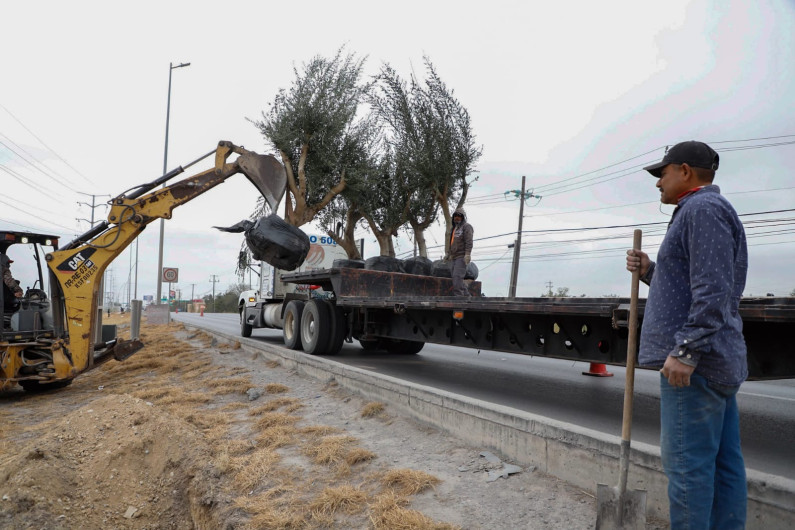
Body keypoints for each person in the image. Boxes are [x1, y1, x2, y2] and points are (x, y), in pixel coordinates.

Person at [626, 141, 748, 529]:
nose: (657, 182)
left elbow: (713, 289)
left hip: (695, 368)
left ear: (684, 171)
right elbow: (689, 282)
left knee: (688, 470)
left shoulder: (702, 209)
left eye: (662, 173)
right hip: (713, 363)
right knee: (723, 464)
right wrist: (649, 270)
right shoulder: (701, 211)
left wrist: (686, 351)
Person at [445, 207, 473, 296]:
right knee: (457, 279)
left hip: (461, 257)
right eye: (455, 216)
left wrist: (467, 254)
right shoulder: (454, 229)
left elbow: (469, 241)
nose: (457, 217)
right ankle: (467, 297)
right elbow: (451, 243)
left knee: (457, 278)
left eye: (459, 216)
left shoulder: (466, 227)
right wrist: (448, 254)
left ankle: (459, 299)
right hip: (453, 257)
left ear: (463, 217)